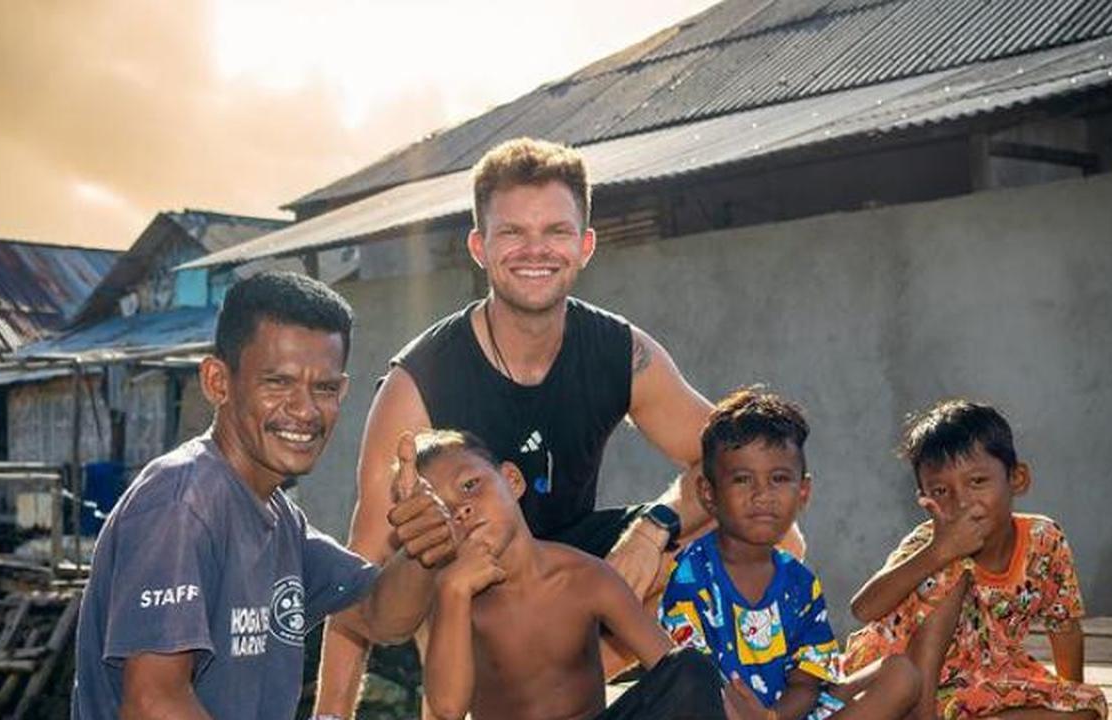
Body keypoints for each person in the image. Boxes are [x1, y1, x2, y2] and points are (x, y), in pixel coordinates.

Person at [316, 137, 803, 718]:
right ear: (479, 245)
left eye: (556, 231)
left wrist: (654, 528)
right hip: (474, 586)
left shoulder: (618, 351)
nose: (535, 250)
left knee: (769, 532)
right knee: (429, 568)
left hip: (574, 567)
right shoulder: (419, 383)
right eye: (513, 232)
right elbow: (359, 580)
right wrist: (329, 714)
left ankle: (722, 696)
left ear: (586, 245)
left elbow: (732, 466)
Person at [71, 272, 456, 720]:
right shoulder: (181, 503)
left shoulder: (279, 517)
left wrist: (421, 548)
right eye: (278, 383)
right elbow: (153, 703)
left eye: (324, 388)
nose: (305, 410)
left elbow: (380, 616)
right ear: (218, 382)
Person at [414, 429, 726, 720]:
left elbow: (673, 672)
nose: (461, 510)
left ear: (511, 480)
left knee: (691, 668)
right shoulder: (454, 600)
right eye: (442, 509)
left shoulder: (584, 575)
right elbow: (447, 709)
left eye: (470, 485)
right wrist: (452, 591)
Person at [662, 388, 921, 720]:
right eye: (742, 479)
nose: (762, 494)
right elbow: (691, 682)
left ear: (803, 492)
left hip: (782, 716)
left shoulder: (800, 583)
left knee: (900, 674)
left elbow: (806, 685)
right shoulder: (692, 575)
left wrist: (771, 718)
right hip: (717, 713)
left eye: (779, 479)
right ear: (709, 494)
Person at [844, 399, 1108, 719]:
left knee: (1087, 709)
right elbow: (864, 609)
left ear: (1017, 478)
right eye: (941, 491)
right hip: (905, 679)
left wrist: (1066, 694)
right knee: (951, 570)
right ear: (924, 498)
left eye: (977, 482)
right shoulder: (930, 542)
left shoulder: (1044, 540)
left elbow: (1064, 628)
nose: (963, 502)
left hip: (986, 678)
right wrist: (939, 551)